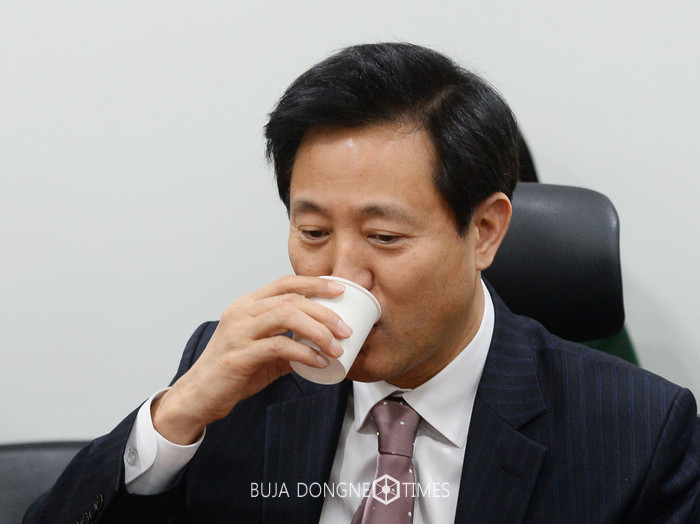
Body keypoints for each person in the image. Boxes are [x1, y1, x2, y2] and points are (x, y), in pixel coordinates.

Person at [26, 43, 699, 523]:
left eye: (384, 237)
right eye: (313, 231)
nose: (340, 273)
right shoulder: (238, 379)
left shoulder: (637, 429)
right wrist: (176, 415)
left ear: (485, 232)